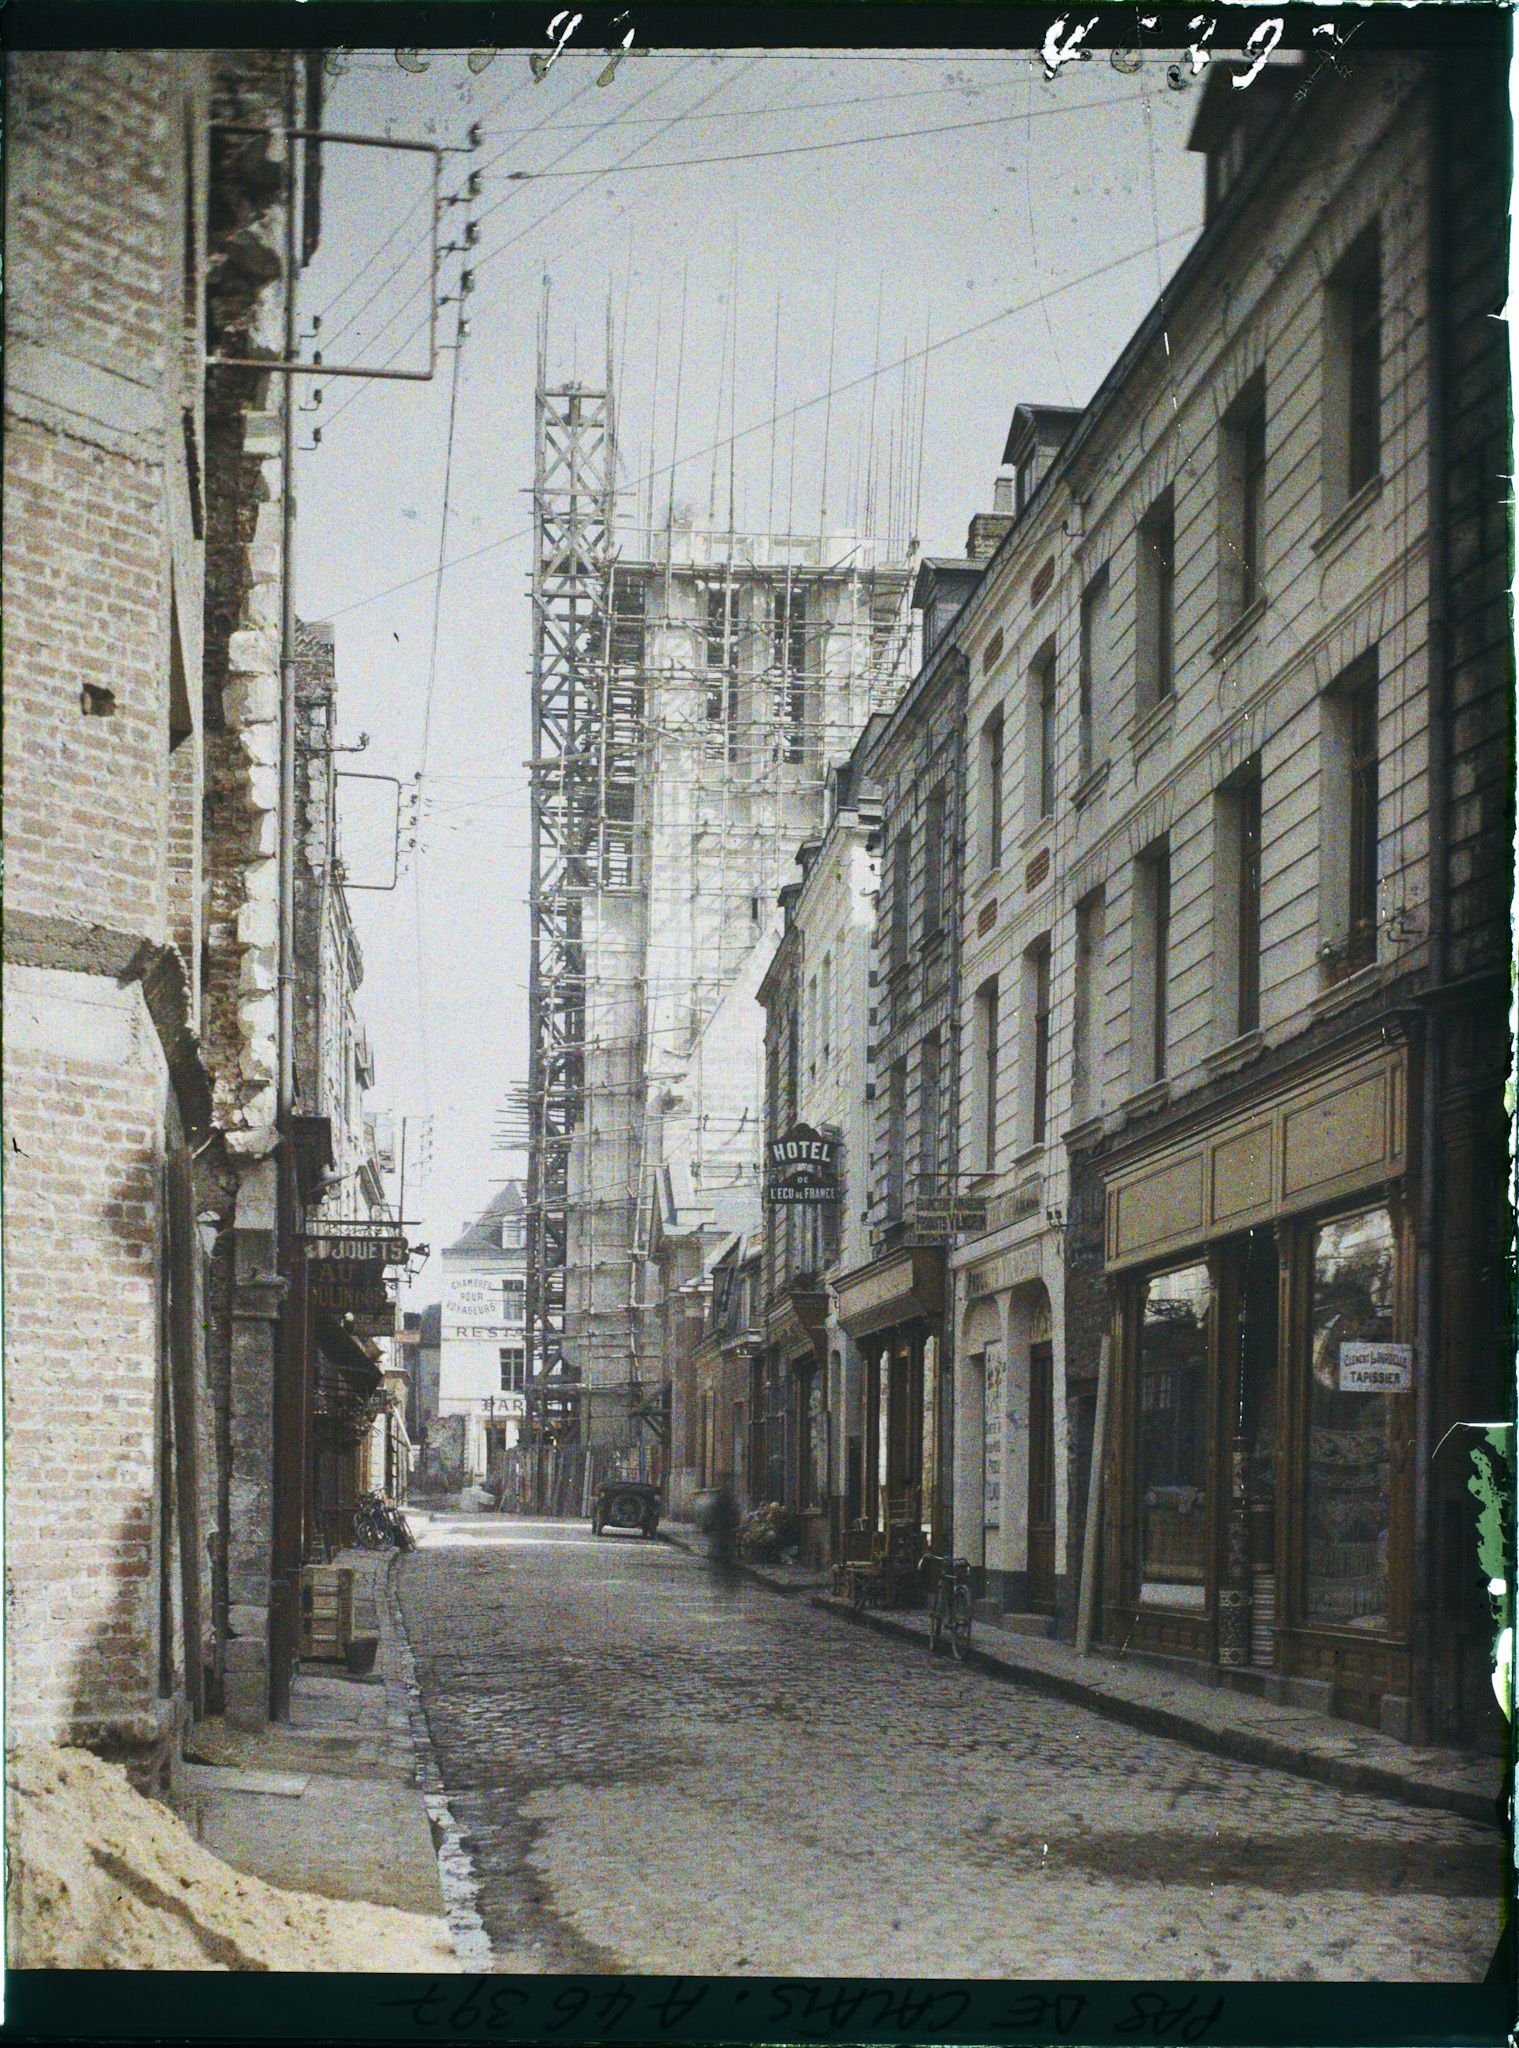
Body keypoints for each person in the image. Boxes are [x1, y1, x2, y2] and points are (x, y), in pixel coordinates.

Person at [705, 1475, 740, 1582]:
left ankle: (723, 1566)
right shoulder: (723, 1499)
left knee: (722, 1546)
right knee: (724, 1545)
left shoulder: (721, 1499)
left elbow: (713, 1513)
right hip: (723, 1527)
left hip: (723, 1527)